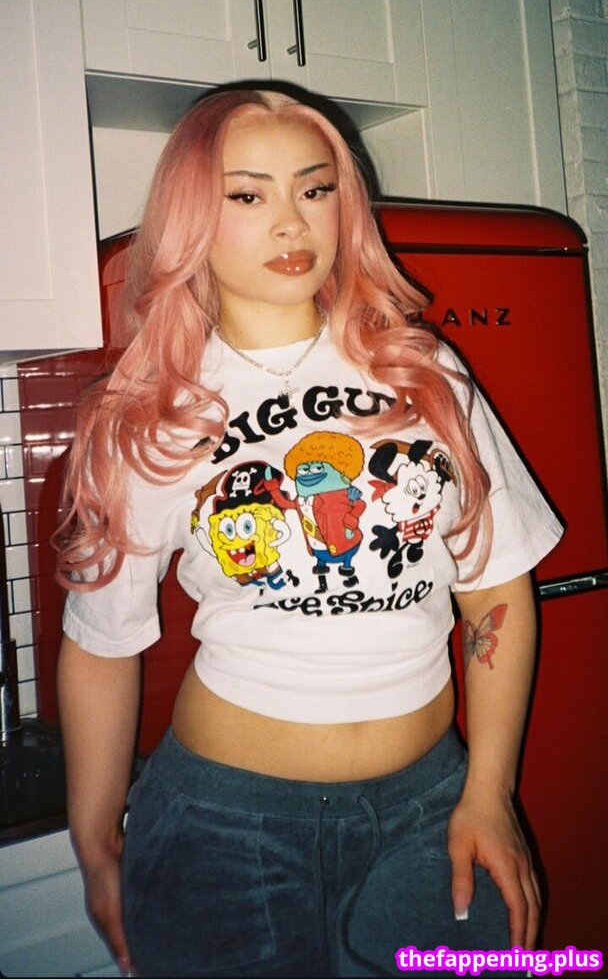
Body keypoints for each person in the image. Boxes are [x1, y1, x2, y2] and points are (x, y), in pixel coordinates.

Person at [55, 86, 563, 979]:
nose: (291, 220)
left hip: (430, 811)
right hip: (220, 829)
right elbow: (102, 645)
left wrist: (490, 791)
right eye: (248, 194)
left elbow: (495, 591)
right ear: (190, 215)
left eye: (315, 188)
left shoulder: (424, 373)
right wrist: (94, 842)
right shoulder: (149, 413)